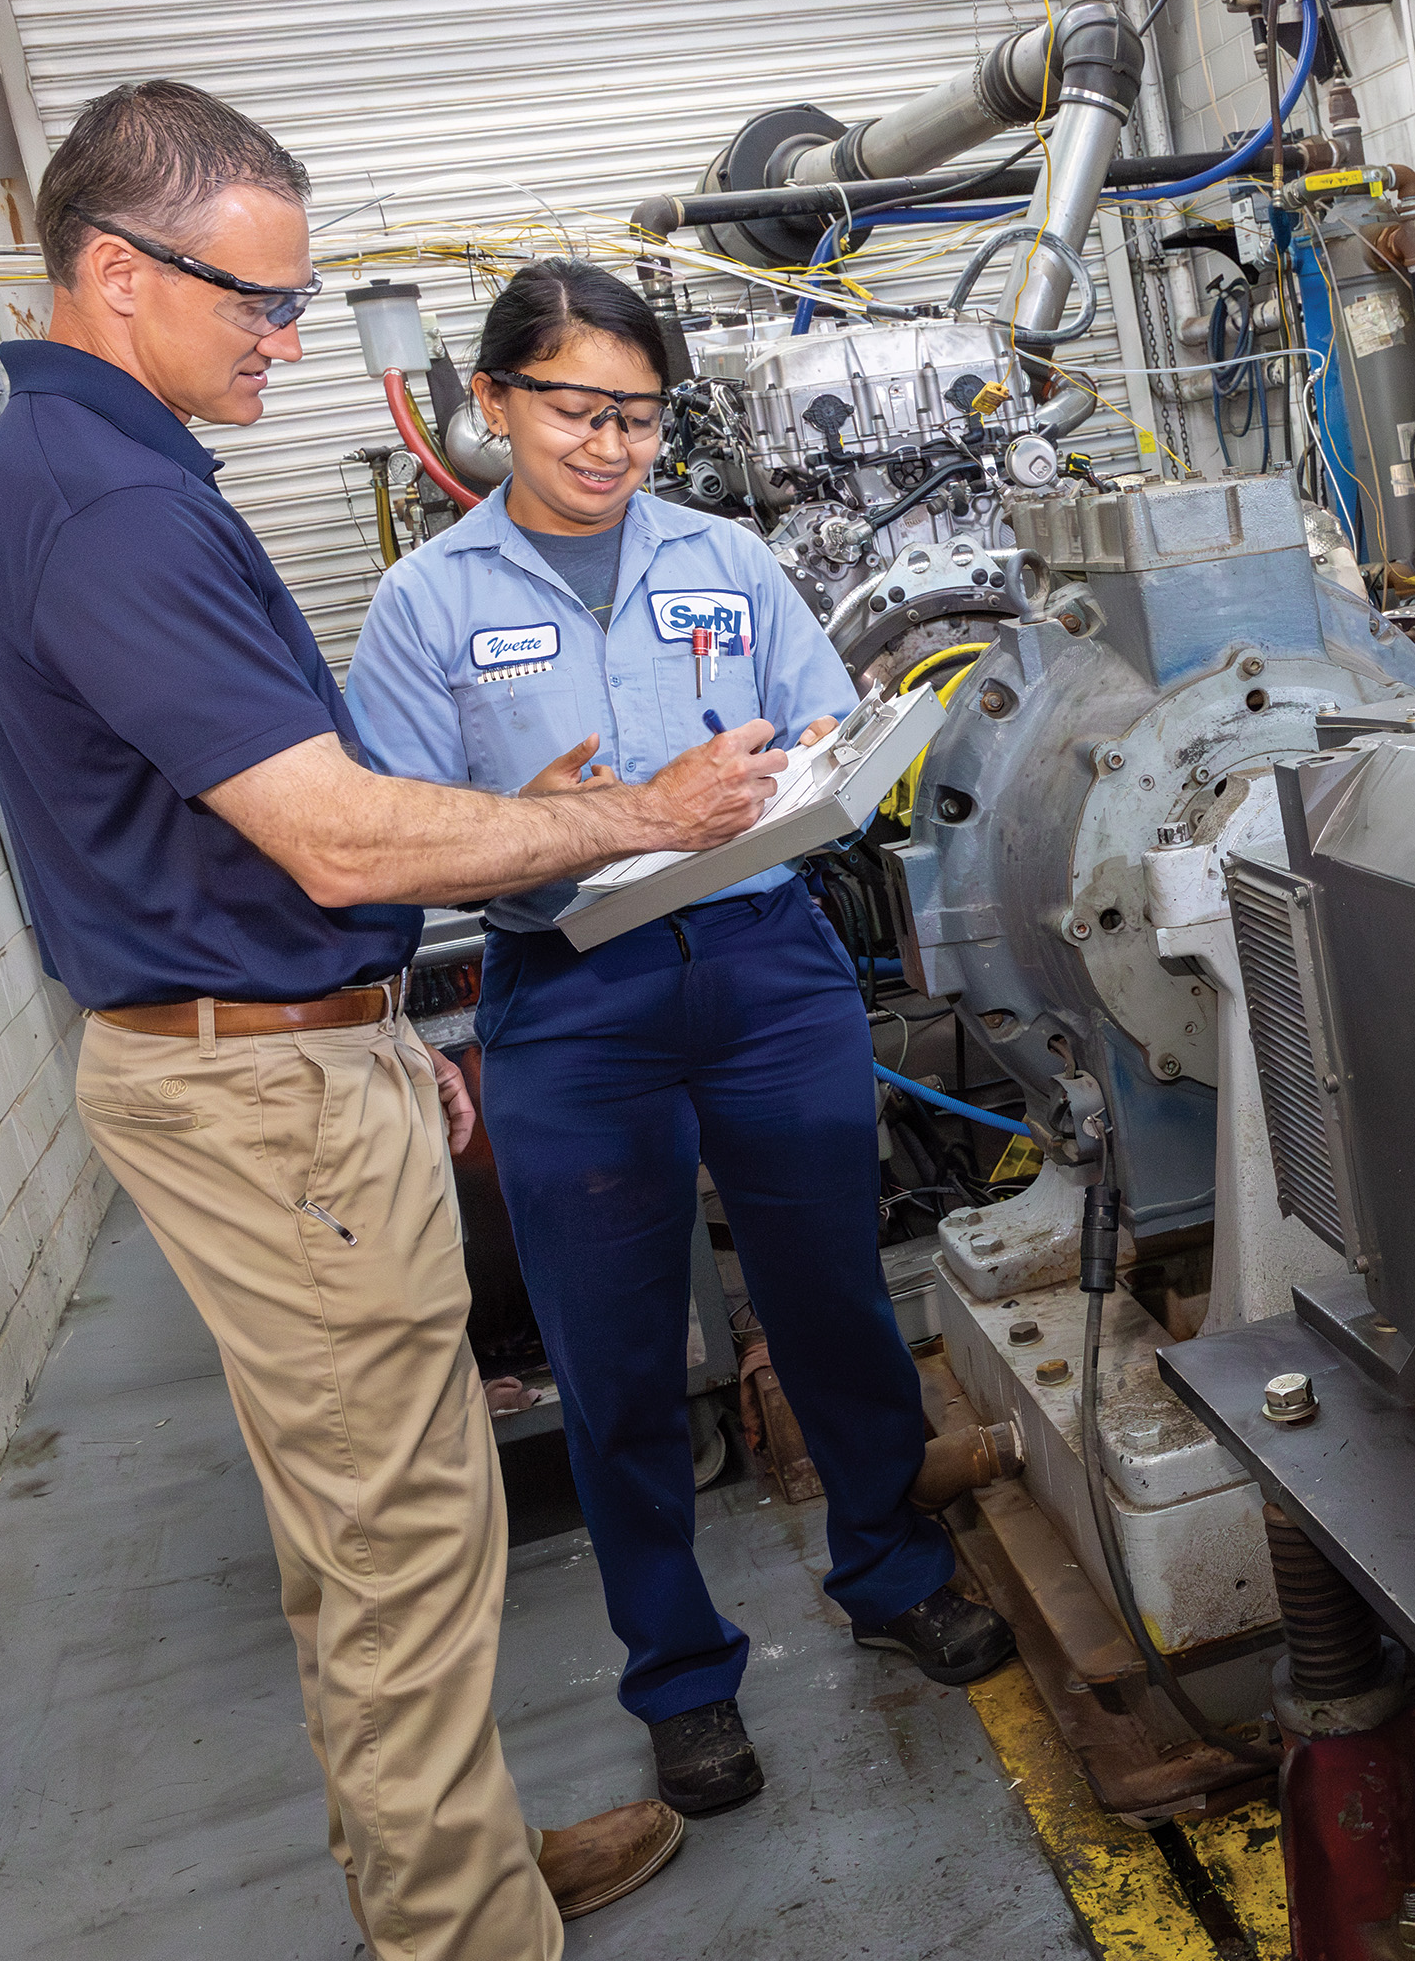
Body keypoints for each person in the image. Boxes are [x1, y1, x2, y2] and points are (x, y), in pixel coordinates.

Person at [0, 80, 772, 1956]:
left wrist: (395, 998)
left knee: (363, 1537)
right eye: (258, 300)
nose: (290, 339)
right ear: (116, 272)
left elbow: (260, 833)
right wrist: (632, 814)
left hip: (278, 1061)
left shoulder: (92, 470)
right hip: (264, 1094)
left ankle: (448, 1869)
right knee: (403, 1544)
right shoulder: (105, 506)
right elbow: (327, 833)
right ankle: (461, 1932)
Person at [344, 258, 1021, 1820]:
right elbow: (394, 831)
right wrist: (532, 823)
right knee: (619, 1355)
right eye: (576, 410)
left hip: (765, 967)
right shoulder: (430, 603)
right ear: (493, 402)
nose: (611, 445)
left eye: (639, 416)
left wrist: (819, 770)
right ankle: (680, 1676)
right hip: (571, 996)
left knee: (834, 1300)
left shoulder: (725, 557)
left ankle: (889, 1568)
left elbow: (822, 730)